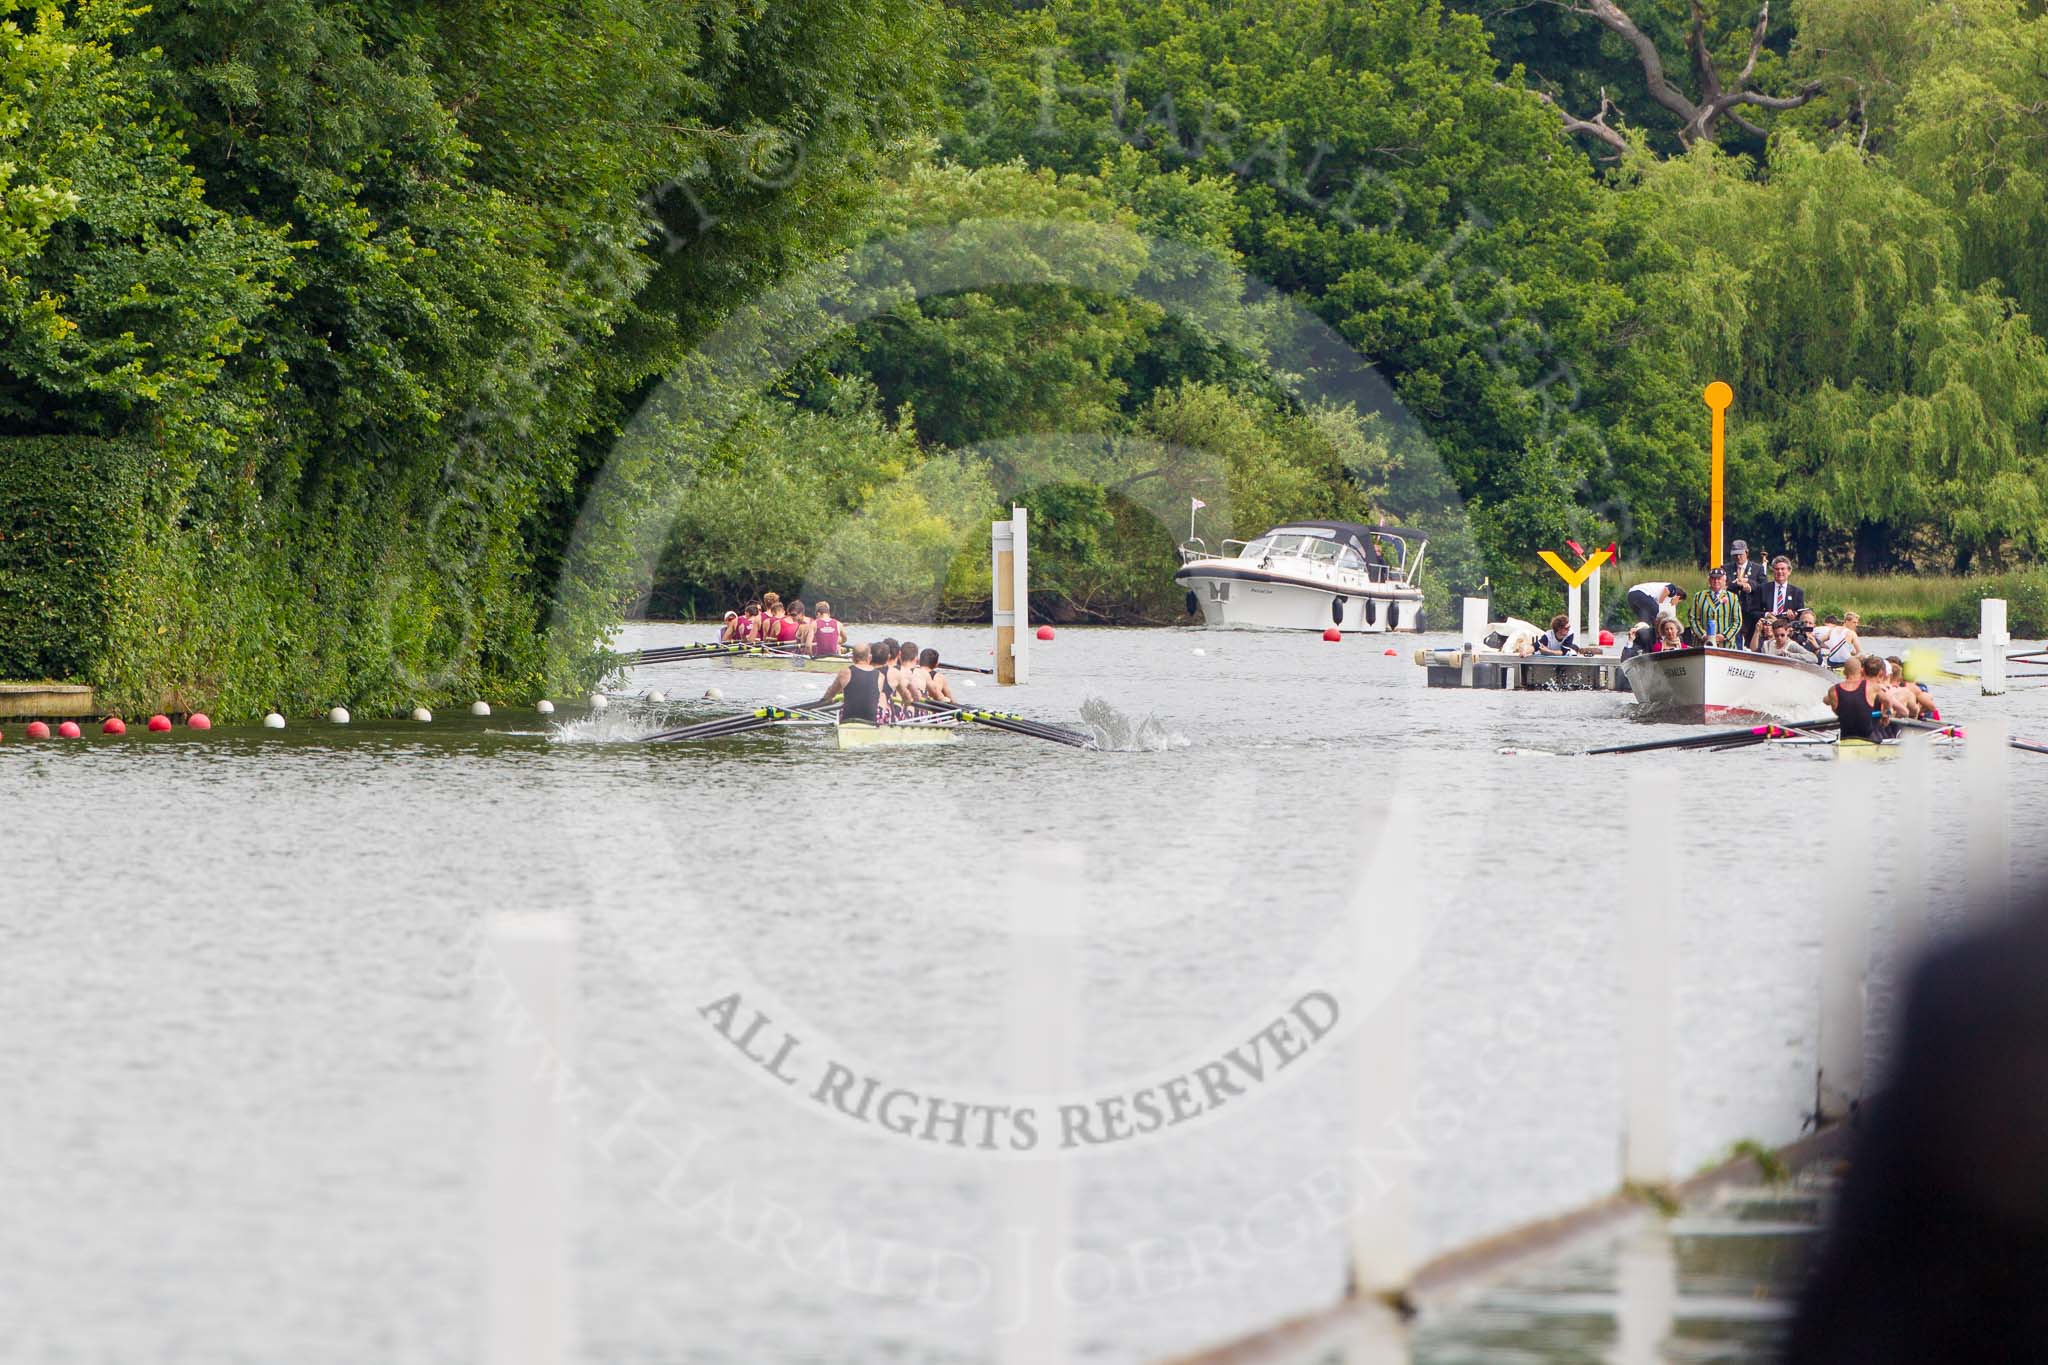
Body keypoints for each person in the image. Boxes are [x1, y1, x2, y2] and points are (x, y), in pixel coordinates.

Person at [813, 642, 885, 724]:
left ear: (852, 658)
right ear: (869, 658)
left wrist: (823, 701)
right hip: (871, 720)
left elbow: (831, 693)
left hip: (848, 719)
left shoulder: (845, 673)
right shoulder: (880, 676)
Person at [1825, 656, 1887, 741]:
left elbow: (1828, 702)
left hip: (1846, 739)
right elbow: (1889, 701)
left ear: (1844, 672)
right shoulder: (1872, 687)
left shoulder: (1833, 691)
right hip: (1869, 739)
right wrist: (1887, 713)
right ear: (1861, 671)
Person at [1688, 566, 1744, 647]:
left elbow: (1737, 621)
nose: (1716, 581)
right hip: (1703, 645)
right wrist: (1703, 635)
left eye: (1719, 578)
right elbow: (1693, 618)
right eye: (1713, 578)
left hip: (1726, 646)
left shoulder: (1732, 597)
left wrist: (1724, 636)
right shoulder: (1699, 596)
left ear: (1724, 580)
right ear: (1709, 580)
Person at [1727, 539, 1767, 626]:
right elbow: (1723, 585)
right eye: (1735, 555)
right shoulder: (1726, 568)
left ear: (1747, 553)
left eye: (1740, 554)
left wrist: (1749, 583)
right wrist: (1737, 584)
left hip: (1751, 612)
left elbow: (1764, 587)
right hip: (1730, 611)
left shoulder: (1758, 568)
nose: (1738, 557)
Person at [1758, 555, 1804, 624]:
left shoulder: (1797, 592)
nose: (1780, 571)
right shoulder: (1762, 589)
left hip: (1787, 627)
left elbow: (1801, 615)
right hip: (1767, 626)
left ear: (1789, 571)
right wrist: (1766, 614)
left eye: (1782, 569)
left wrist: (1793, 617)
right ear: (1773, 571)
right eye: (1777, 569)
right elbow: (1753, 611)